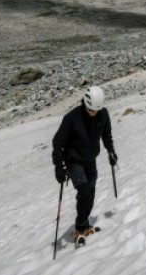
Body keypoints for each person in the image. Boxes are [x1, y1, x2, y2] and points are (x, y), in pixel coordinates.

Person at [51, 86, 118, 246]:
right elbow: (57, 143)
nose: (93, 113)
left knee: (91, 192)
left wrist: (111, 151)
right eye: (90, 110)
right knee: (84, 192)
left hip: (90, 159)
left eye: (96, 110)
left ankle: (85, 223)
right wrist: (58, 167)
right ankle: (79, 228)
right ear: (85, 103)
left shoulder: (103, 114)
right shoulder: (72, 118)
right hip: (74, 161)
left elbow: (106, 134)